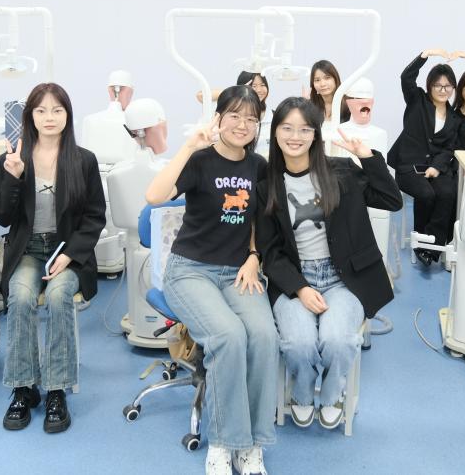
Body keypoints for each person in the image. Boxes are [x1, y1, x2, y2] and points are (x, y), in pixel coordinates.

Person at [145, 85, 279, 475]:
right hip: (190, 270)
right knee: (228, 336)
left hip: (237, 271)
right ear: (218, 118)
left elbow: (256, 219)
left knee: (264, 337)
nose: (243, 124)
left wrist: (253, 256)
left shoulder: (258, 167)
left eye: (251, 118)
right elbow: (154, 196)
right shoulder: (200, 160)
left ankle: (252, 444)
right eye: (234, 115)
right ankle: (223, 442)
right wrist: (189, 146)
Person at [256, 97, 400, 429]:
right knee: (299, 343)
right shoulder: (267, 186)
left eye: (304, 129)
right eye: (287, 128)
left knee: (337, 341)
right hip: (296, 279)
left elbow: (392, 200)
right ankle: (302, 391)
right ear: (275, 133)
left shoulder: (342, 171)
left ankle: (333, 392)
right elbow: (271, 251)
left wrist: (367, 157)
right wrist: (300, 288)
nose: (295, 136)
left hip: (343, 279)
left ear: (315, 134)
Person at [0, 83, 106, 433]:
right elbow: (1, 216)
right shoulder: (13, 158)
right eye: (41, 110)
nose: (49, 117)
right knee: (20, 296)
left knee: (58, 297)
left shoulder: (83, 160)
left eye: (57, 109)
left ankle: (56, 389)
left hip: (66, 252)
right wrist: (12, 177)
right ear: (30, 116)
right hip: (27, 249)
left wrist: (70, 254)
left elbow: (94, 217)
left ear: (67, 115)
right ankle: (23, 387)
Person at [388, 48, 465, 262]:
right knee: (426, 194)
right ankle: (421, 243)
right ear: (429, 85)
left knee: (448, 193)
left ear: (453, 88)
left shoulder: (454, 118)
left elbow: (449, 148)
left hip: (434, 168)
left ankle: (433, 248)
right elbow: (406, 77)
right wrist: (425, 55)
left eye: (447, 86)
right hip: (408, 168)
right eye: (437, 85)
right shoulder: (417, 101)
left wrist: (437, 167)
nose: (443, 90)